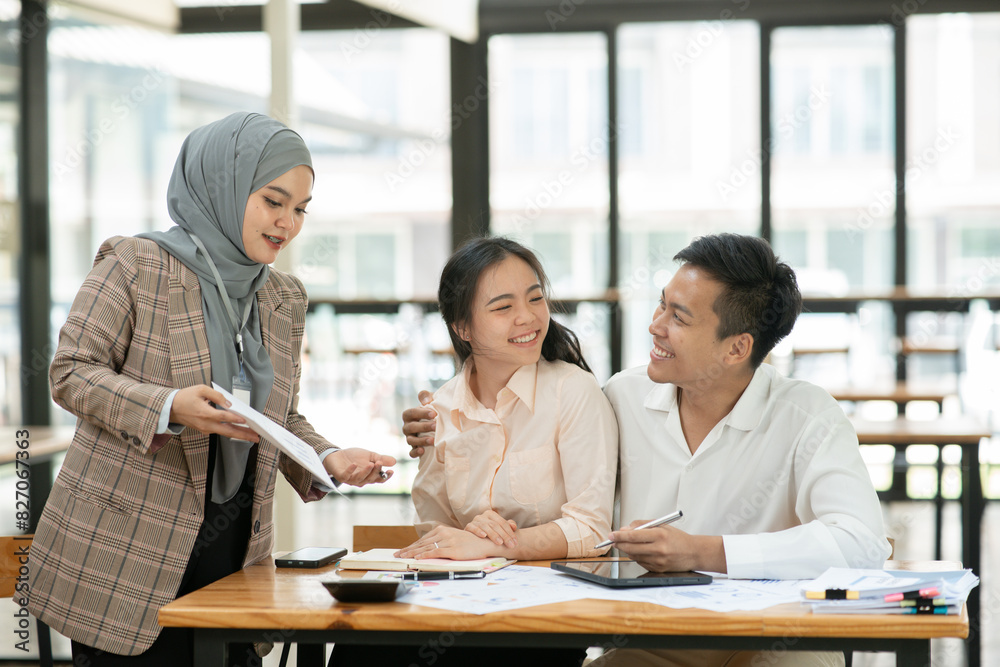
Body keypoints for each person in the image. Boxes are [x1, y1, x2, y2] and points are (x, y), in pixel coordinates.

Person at [403, 233, 890, 667]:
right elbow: (526, 440)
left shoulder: (806, 416)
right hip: (659, 639)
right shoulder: (621, 397)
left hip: (784, 636)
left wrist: (703, 552)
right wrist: (437, 429)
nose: (655, 326)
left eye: (678, 317)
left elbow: (862, 543)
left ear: (737, 348)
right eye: (661, 305)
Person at [27, 112, 396, 667]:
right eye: (273, 201)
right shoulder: (136, 264)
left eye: (300, 209)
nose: (288, 223)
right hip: (124, 553)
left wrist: (326, 456)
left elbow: (279, 416)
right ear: (222, 186)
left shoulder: (283, 297)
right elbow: (72, 372)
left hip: (234, 545)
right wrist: (169, 406)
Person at [331, 236, 618, 667]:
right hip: (460, 600)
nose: (527, 318)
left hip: (545, 614)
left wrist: (497, 543)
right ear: (462, 327)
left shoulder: (573, 392)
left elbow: (593, 531)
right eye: (503, 308)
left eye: (535, 298)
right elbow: (436, 528)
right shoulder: (439, 410)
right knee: (360, 645)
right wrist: (464, 541)